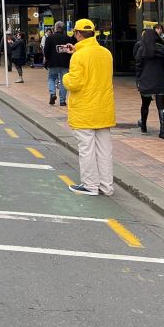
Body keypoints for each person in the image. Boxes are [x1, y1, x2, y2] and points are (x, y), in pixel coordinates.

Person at [61, 19, 116, 196]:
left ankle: (90, 185)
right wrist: (76, 50)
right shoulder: (106, 53)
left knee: (87, 149)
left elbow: (74, 83)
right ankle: (106, 186)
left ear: (78, 34)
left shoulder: (79, 56)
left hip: (84, 109)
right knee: (104, 150)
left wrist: (65, 78)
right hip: (104, 108)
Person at [134, 24, 164, 139]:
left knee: (145, 104)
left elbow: (138, 66)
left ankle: (144, 125)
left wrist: (138, 79)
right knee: (161, 106)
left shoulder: (142, 49)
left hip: (146, 80)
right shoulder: (163, 49)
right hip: (160, 80)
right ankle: (163, 131)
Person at [43, 22, 74, 107]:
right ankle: (62, 100)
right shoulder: (68, 38)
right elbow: (71, 51)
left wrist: (47, 60)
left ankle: (52, 93)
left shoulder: (49, 38)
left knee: (51, 78)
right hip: (65, 63)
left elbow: (46, 51)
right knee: (64, 81)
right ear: (63, 29)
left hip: (53, 62)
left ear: (55, 28)